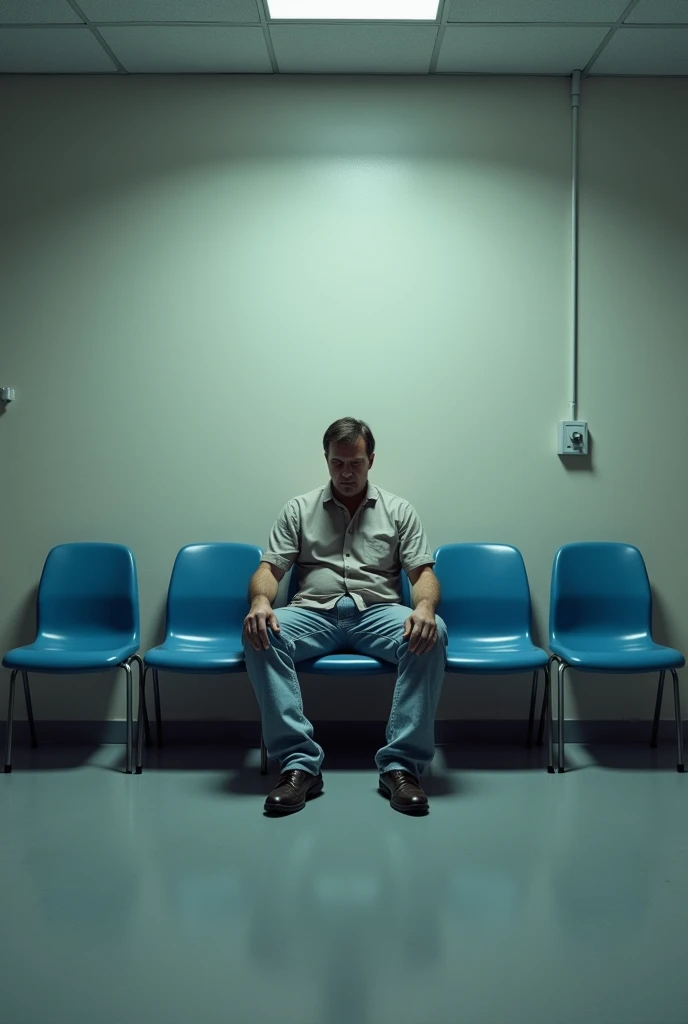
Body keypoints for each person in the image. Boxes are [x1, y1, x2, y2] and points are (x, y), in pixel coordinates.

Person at [243, 417, 447, 817]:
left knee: (432, 632)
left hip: (379, 613)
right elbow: (269, 570)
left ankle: (401, 767)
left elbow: (424, 575)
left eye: (355, 463)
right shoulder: (298, 509)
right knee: (260, 631)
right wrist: (260, 602)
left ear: (371, 460)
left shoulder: (399, 510)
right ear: (326, 460)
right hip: (313, 612)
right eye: (337, 463)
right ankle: (298, 765)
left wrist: (423, 607)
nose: (346, 473)